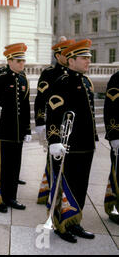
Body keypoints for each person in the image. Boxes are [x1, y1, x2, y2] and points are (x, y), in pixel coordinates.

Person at [47, 39, 97, 242]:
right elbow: (54, 112)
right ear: (71, 60)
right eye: (84, 58)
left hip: (85, 145)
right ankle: (61, 224)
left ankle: (75, 221)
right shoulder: (63, 81)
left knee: (81, 186)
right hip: (69, 146)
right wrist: (54, 139)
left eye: (88, 58)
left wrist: (94, 139)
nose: (88, 61)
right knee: (66, 186)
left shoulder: (86, 82)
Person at [0, 43, 31, 213]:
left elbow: (26, 106)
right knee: (3, 166)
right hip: (4, 129)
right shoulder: (1, 75)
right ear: (10, 60)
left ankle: (12, 197)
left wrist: (27, 130)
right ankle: (1, 198)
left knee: (15, 165)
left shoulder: (23, 78)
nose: (22, 64)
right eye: (18, 61)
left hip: (18, 131)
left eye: (23, 61)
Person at [34, 39, 74, 204]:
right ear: (58, 55)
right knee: (55, 160)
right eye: (66, 53)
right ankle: (53, 193)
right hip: (54, 123)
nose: (70, 55)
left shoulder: (74, 72)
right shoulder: (49, 73)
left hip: (70, 124)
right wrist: (40, 122)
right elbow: (41, 99)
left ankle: (64, 193)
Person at [104, 70, 119, 224]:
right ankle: (115, 209)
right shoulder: (117, 78)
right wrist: (114, 135)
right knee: (118, 175)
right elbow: (111, 108)